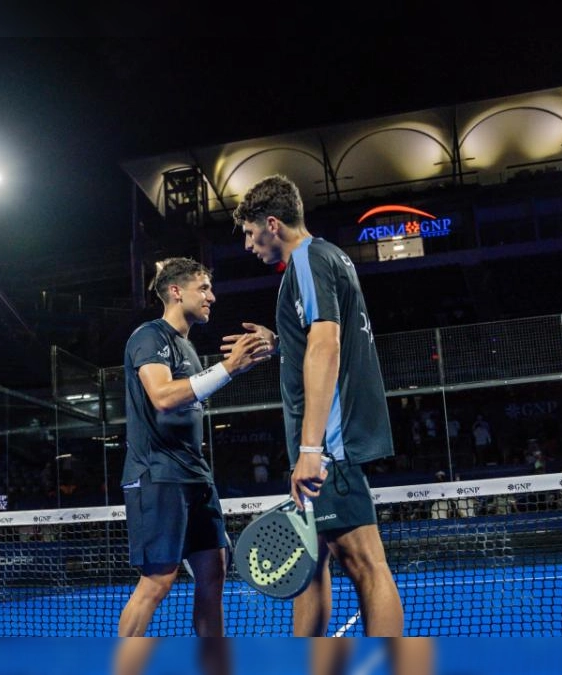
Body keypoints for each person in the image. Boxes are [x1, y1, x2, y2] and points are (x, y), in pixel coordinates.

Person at [226, 174, 404, 638]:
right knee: (311, 567)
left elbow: (326, 344)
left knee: (366, 564)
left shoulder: (306, 258)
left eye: (249, 233)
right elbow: (313, 339)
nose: (248, 245)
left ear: (271, 223)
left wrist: (311, 448)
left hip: (328, 445)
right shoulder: (329, 256)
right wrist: (281, 340)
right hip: (328, 441)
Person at [115, 256, 270, 663]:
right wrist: (227, 368)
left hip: (195, 476)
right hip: (158, 475)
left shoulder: (186, 347)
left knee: (213, 574)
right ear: (175, 291)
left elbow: (193, 392)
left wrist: (234, 368)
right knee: (158, 581)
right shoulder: (148, 337)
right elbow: (163, 398)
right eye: (203, 288)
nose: (212, 297)